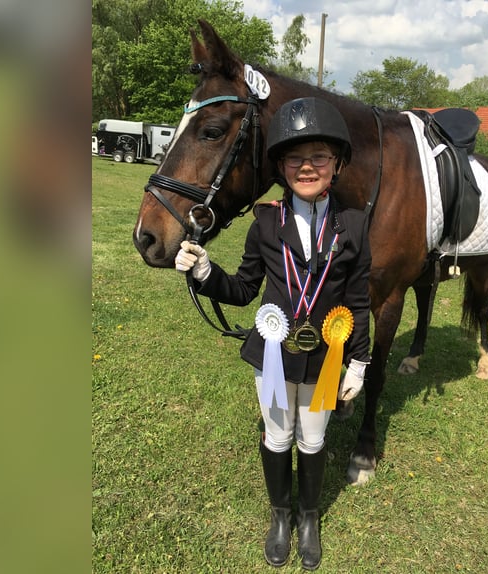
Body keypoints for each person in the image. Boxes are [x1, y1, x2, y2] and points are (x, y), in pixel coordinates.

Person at [175, 97, 372, 570]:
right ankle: (280, 516)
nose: (307, 167)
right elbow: (244, 289)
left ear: (337, 163)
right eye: (295, 159)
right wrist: (205, 272)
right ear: (281, 167)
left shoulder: (355, 225)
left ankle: (309, 518)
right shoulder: (265, 223)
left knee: (314, 438)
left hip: (326, 356)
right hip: (275, 354)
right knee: (278, 436)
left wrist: (360, 361)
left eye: (319, 157)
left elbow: (359, 299)